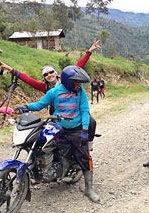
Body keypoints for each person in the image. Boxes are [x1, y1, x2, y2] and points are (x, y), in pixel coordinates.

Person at [0, 38, 101, 151]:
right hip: (57, 113)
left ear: (56, 74)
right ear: (44, 78)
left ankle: (88, 146)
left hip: (74, 110)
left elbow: (78, 66)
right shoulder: (45, 87)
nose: (49, 75)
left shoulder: (67, 81)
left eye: (51, 72)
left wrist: (89, 51)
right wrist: (10, 69)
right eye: (46, 74)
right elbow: (27, 79)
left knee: (91, 122)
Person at [15, 66, 100, 202]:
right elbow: (40, 104)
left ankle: (89, 188)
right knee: (39, 142)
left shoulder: (80, 92)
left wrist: (84, 130)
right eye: (76, 83)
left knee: (84, 155)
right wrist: (26, 107)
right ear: (67, 82)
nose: (78, 86)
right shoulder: (54, 92)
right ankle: (39, 170)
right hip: (57, 126)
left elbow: (84, 110)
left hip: (75, 129)